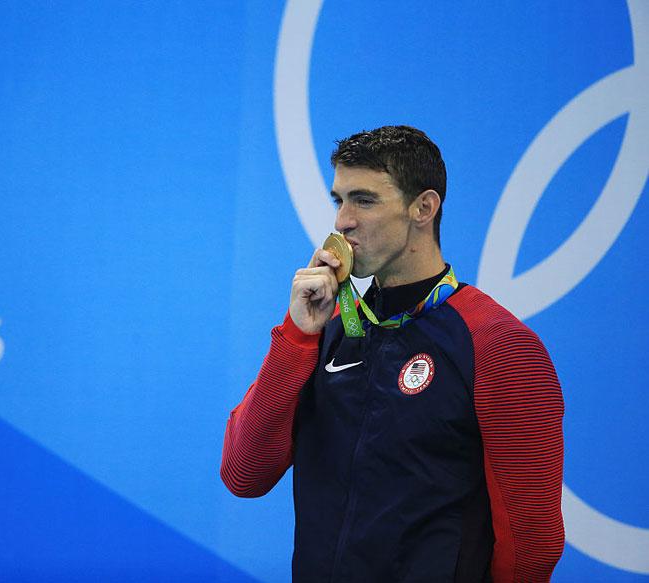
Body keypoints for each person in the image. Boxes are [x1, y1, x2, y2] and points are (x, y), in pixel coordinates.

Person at [220, 126, 564, 582]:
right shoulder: (330, 327)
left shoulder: (497, 343)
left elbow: (532, 542)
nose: (342, 221)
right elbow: (244, 474)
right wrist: (297, 335)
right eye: (338, 200)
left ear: (423, 208)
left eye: (363, 200)